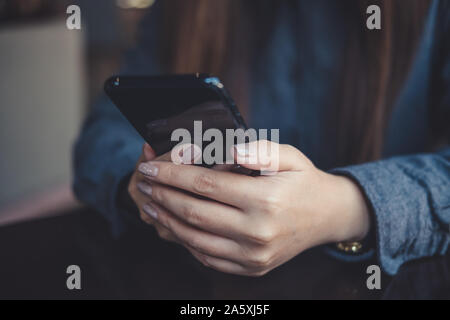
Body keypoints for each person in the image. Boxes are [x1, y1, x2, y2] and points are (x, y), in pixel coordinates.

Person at [73, 0, 450, 277]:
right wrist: (140, 186)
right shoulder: (180, 9)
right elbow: (99, 137)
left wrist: (346, 207)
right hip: (196, 278)